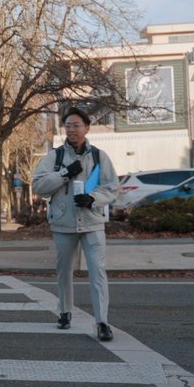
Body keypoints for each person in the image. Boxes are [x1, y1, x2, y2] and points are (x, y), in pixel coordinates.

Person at [31, 107, 119, 341]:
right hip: (63, 223)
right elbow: (38, 186)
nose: (71, 129)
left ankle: (102, 322)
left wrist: (93, 198)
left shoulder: (99, 156)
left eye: (76, 125)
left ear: (87, 127)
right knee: (64, 272)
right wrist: (64, 174)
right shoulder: (55, 157)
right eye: (68, 125)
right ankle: (65, 312)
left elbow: (111, 187)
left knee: (98, 272)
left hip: (92, 222)